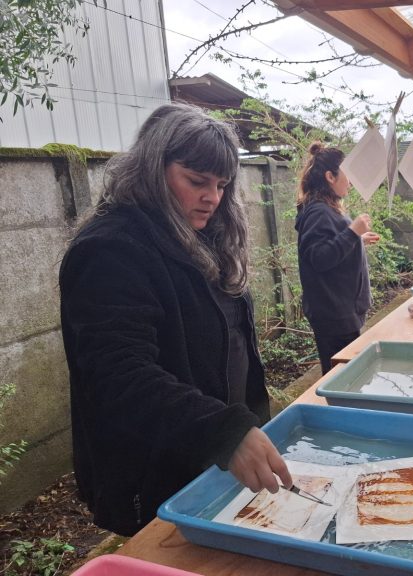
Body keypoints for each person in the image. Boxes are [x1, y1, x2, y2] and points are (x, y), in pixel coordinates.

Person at [59, 103, 292, 536]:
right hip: (155, 474)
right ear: (151, 170)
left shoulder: (203, 236)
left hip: (208, 461)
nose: (213, 197)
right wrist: (222, 431)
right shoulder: (112, 250)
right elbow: (118, 376)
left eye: (222, 184)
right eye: (196, 181)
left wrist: (245, 424)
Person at [295, 142, 380, 374]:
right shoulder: (318, 212)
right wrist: (352, 231)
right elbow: (319, 258)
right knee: (343, 376)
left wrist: (357, 240)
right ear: (330, 176)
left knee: (347, 374)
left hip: (340, 312)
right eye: (348, 175)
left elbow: (331, 248)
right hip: (334, 315)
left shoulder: (326, 208)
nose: (350, 182)